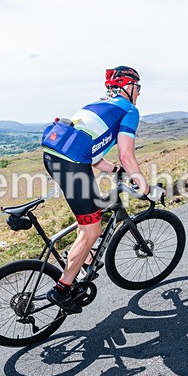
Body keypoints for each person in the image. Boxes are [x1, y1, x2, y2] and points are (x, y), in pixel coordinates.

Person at [40, 65, 163, 313]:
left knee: (92, 210)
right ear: (129, 87)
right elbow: (127, 154)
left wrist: (113, 170)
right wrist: (145, 185)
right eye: (138, 88)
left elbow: (91, 149)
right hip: (72, 166)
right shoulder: (129, 109)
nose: (139, 93)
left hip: (53, 156)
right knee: (92, 230)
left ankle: (82, 258)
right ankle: (62, 289)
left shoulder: (99, 104)